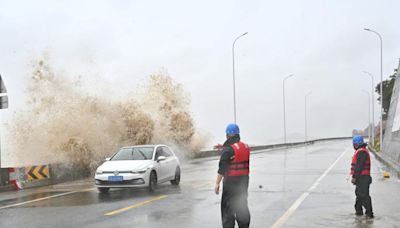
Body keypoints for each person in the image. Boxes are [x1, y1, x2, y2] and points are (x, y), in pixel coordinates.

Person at [214, 123, 251, 228]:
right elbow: (235, 150)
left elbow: (222, 169)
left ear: (227, 135)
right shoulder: (246, 147)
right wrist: (223, 147)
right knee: (241, 204)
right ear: (238, 134)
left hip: (231, 183)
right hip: (244, 181)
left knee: (228, 208)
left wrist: (217, 184)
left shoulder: (228, 150)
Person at [350, 135, 374, 218]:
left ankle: (369, 214)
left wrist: (354, 177)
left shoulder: (361, 152)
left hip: (363, 177)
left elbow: (359, 166)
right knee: (359, 194)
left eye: (353, 144)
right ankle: (359, 212)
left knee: (364, 195)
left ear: (356, 144)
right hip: (362, 178)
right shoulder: (361, 151)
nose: (353, 146)